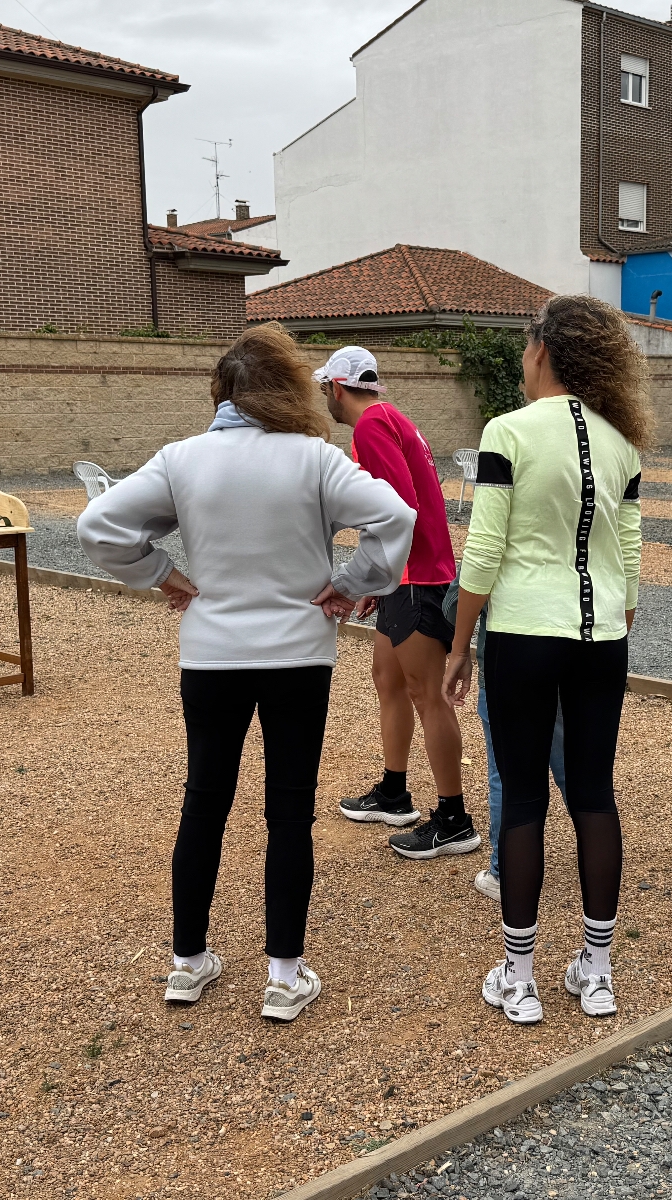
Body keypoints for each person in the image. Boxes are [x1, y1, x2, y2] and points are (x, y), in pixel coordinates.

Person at [77, 322, 414, 1022]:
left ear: (222, 391)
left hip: (212, 654)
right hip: (298, 653)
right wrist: (353, 582)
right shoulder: (314, 459)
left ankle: (187, 963)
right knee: (289, 811)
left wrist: (161, 573)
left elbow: (98, 526)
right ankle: (284, 976)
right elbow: (394, 516)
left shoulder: (181, 458)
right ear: (288, 387)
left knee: (204, 802)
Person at [444, 294, 647, 1025]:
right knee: (594, 795)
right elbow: (628, 553)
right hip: (602, 638)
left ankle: (520, 975)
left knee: (525, 797)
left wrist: (461, 642)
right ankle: (597, 970)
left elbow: (485, 548)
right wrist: (616, 621)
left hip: (525, 632)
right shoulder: (622, 444)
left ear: (544, 351)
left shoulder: (508, 431)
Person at [319, 346, 478, 860]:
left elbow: (397, 508)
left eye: (325, 389)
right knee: (388, 679)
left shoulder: (370, 427)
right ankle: (393, 793)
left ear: (337, 388)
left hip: (416, 576)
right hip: (405, 575)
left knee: (427, 694)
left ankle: (454, 820)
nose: (324, 398)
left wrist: (364, 579)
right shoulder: (391, 417)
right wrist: (377, 581)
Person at [441, 582, 566, 902]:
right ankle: (598, 855)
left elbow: (456, 604)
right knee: (576, 772)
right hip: (567, 661)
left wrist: (460, 650)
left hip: (506, 663)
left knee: (506, 775)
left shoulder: (496, 545)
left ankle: (506, 872)